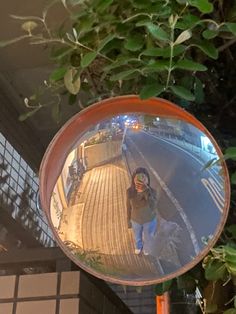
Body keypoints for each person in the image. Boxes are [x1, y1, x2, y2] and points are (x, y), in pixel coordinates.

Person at [127, 167, 158, 255]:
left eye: (144, 178)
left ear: (148, 180)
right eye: (138, 178)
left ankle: (147, 248)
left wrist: (145, 191)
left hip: (149, 220)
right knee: (137, 237)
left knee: (148, 237)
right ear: (133, 180)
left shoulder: (152, 192)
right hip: (135, 220)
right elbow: (128, 207)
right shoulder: (129, 192)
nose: (141, 180)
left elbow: (153, 207)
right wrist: (128, 221)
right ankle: (138, 247)